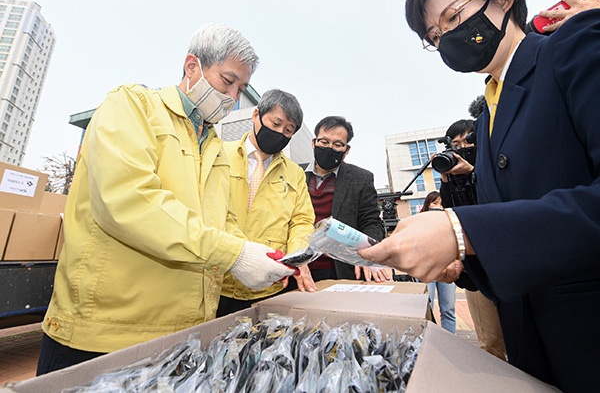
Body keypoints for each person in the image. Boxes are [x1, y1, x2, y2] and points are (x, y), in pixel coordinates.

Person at [358, 0, 600, 390]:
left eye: (453, 18)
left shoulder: (571, 48)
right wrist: (463, 263)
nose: (447, 38)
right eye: (435, 36)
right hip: (532, 350)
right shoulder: (488, 112)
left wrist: (461, 230)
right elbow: (509, 220)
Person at [37, 24, 296, 375]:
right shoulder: (133, 106)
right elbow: (130, 201)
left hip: (182, 336)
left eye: (241, 89)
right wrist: (233, 254)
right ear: (192, 67)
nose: (233, 97)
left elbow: (222, 221)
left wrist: (258, 256)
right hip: (103, 337)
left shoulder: (215, 145)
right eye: (227, 81)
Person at [216, 89, 316, 317]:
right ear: (256, 115)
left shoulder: (295, 173)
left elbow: (302, 220)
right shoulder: (220, 153)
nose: (280, 133)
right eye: (276, 123)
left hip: (271, 284)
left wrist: (299, 257)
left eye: (288, 130)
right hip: (218, 280)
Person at [439, 118, 506, 359]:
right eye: (455, 144)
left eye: (468, 142)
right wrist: (447, 182)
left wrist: (474, 173)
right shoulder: (453, 178)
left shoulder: (497, 167)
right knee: (489, 343)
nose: (461, 148)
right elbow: (452, 214)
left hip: (507, 263)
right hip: (476, 270)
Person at [301, 115, 389, 284]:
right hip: (298, 268)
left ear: (346, 150)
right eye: (324, 142)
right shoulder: (294, 174)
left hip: (340, 269)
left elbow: (371, 222)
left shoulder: (360, 178)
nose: (329, 148)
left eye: (337, 144)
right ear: (314, 143)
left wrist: (369, 255)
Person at [420, 191, 456, 334]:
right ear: (427, 205)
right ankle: (425, 340)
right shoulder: (420, 222)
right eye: (435, 203)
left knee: (448, 308)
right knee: (426, 308)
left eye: (441, 204)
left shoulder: (451, 222)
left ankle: (450, 340)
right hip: (427, 270)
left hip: (447, 268)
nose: (438, 207)